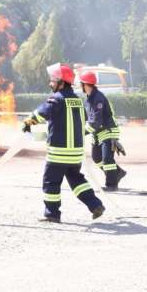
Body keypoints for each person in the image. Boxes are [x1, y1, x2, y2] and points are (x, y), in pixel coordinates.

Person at [23, 63, 105, 223]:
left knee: (51, 183)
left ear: (61, 82)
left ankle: (52, 214)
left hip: (58, 154)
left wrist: (28, 121)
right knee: (77, 180)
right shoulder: (77, 100)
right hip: (75, 154)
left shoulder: (56, 99)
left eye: (53, 80)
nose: (50, 83)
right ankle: (95, 204)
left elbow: (42, 113)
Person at [79, 71, 127, 191]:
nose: (80, 86)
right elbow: (86, 118)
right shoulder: (88, 100)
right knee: (97, 158)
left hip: (108, 131)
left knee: (107, 159)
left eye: (81, 84)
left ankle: (112, 185)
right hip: (97, 133)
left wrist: (81, 133)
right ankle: (117, 172)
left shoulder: (98, 98)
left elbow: (96, 121)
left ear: (85, 84)